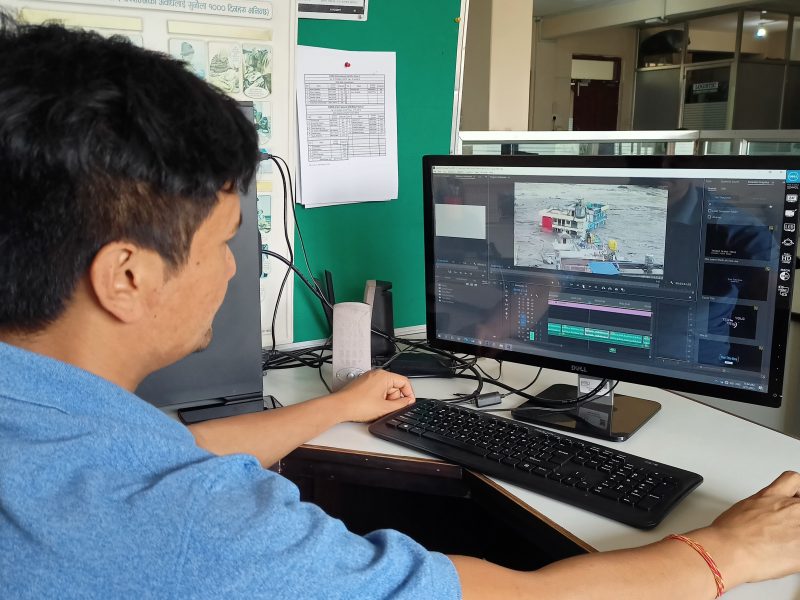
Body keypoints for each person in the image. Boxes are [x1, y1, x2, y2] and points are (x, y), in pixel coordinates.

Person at [1, 14, 799, 599]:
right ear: (127, 277)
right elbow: (510, 599)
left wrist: (339, 407)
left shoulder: (44, 421)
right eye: (223, 242)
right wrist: (723, 553)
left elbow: (170, 455)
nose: (231, 271)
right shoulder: (197, 529)